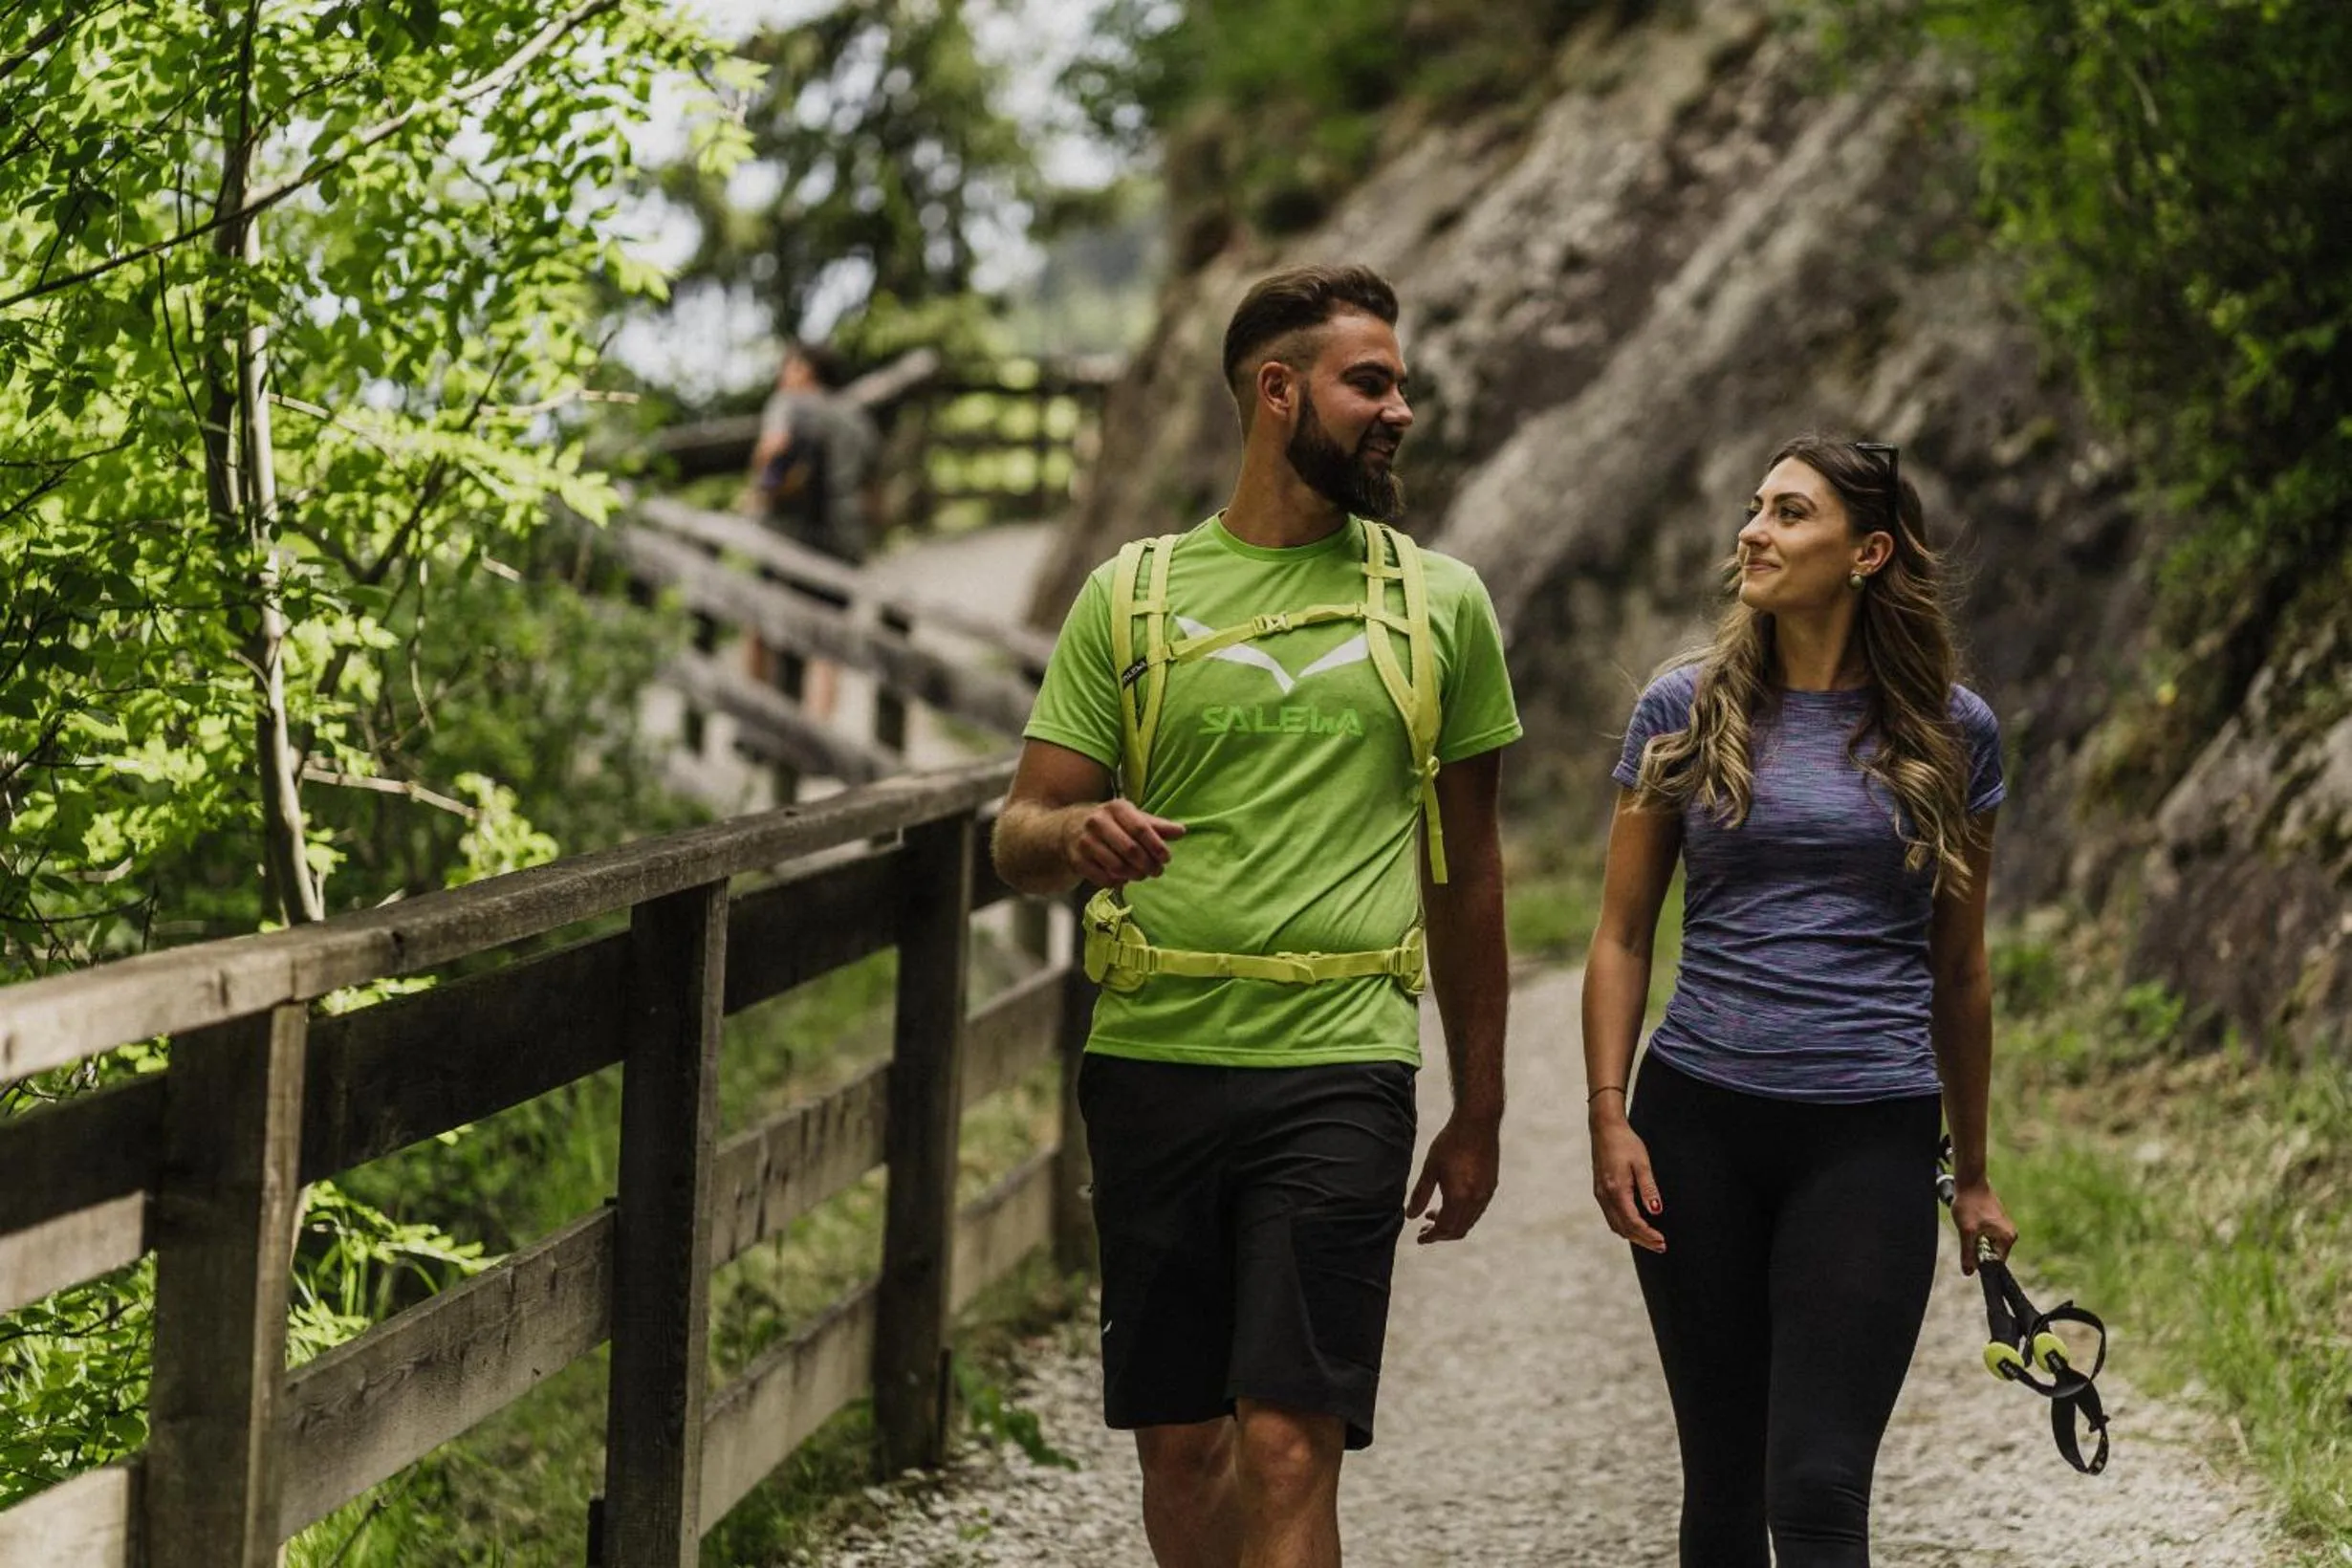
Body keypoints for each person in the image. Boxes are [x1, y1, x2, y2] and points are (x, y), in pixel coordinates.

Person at [991, 264, 1521, 1568]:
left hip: (1339, 1067)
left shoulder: (1439, 606)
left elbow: (1469, 875)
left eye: (1402, 382)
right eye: (1371, 383)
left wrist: (1482, 1107)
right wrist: (1077, 834)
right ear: (1278, 391)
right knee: (1181, 1449)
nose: (1401, 409)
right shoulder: (1132, 597)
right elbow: (1017, 832)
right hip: (1154, 1061)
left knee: (1292, 1440)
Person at [1580, 434, 2019, 1568]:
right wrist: (1607, 1113)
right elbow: (1624, 931)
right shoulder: (1684, 708)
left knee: (1820, 1488)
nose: (1753, 531)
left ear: (1867, 552)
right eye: (1755, 507)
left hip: (1868, 1134)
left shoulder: (1951, 732)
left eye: (1789, 513)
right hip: (1698, 1124)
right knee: (1723, 1486)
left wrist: (1970, 1172)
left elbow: (1960, 968)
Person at [739, 341, 879, 723]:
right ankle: (817, 737)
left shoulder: (788, 405)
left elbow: (773, 451)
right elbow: (872, 489)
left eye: (788, 365)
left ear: (805, 370)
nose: (782, 373)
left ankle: (755, 723)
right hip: (844, 542)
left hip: (788, 538)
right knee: (826, 645)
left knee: (760, 628)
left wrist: (757, 490)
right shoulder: (857, 418)